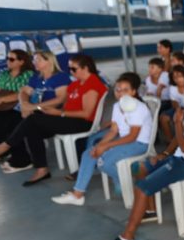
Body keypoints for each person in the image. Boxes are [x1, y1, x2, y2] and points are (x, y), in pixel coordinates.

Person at [97, 87, 184, 240]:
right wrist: (165, 154)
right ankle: (150, 211)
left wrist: (176, 123)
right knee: (140, 168)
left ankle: (127, 238)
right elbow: (178, 139)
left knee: (141, 188)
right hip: (176, 158)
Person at [0, 54, 107, 186]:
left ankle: (5, 145)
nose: (70, 72)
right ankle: (41, 168)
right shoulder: (76, 84)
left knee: (32, 120)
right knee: (31, 127)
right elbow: (66, 104)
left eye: (74, 69)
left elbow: (86, 113)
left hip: (82, 122)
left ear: (86, 68)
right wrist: (51, 112)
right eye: (69, 69)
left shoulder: (92, 84)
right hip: (67, 118)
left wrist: (59, 113)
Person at [51, 73, 152, 206]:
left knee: (103, 163)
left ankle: (133, 184)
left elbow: (132, 137)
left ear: (133, 92)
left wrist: (106, 146)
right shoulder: (117, 106)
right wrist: (101, 145)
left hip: (139, 144)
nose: (120, 93)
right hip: (124, 141)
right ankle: (78, 195)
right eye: (118, 89)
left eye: (125, 90)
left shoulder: (138, 108)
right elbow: (113, 130)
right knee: (88, 153)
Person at [0, 51, 70, 173]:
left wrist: (34, 107)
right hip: (36, 111)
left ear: (49, 61)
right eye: (34, 60)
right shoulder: (37, 77)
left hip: (53, 114)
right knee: (8, 119)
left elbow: (60, 99)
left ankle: (10, 152)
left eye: (38, 60)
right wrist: (24, 104)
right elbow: (24, 91)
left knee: (18, 124)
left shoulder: (60, 77)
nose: (34, 62)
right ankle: (16, 155)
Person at [159, 65, 184, 141]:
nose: (178, 79)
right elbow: (174, 102)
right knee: (163, 118)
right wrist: (178, 110)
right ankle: (170, 141)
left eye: (180, 76)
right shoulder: (173, 87)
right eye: (175, 77)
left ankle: (182, 140)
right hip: (180, 108)